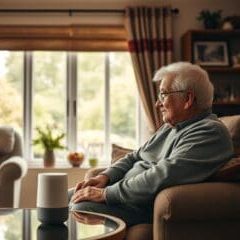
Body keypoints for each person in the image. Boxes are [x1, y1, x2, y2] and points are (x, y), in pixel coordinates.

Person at [68, 62, 234, 227]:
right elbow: (135, 155)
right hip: (121, 196)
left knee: (80, 208)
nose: (157, 103)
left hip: (136, 206)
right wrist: (105, 176)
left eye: (163, 95)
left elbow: (164, 174)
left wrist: (106, 194)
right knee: (60, 197)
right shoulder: (171, 126)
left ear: (188, 99)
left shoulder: (210, 133)